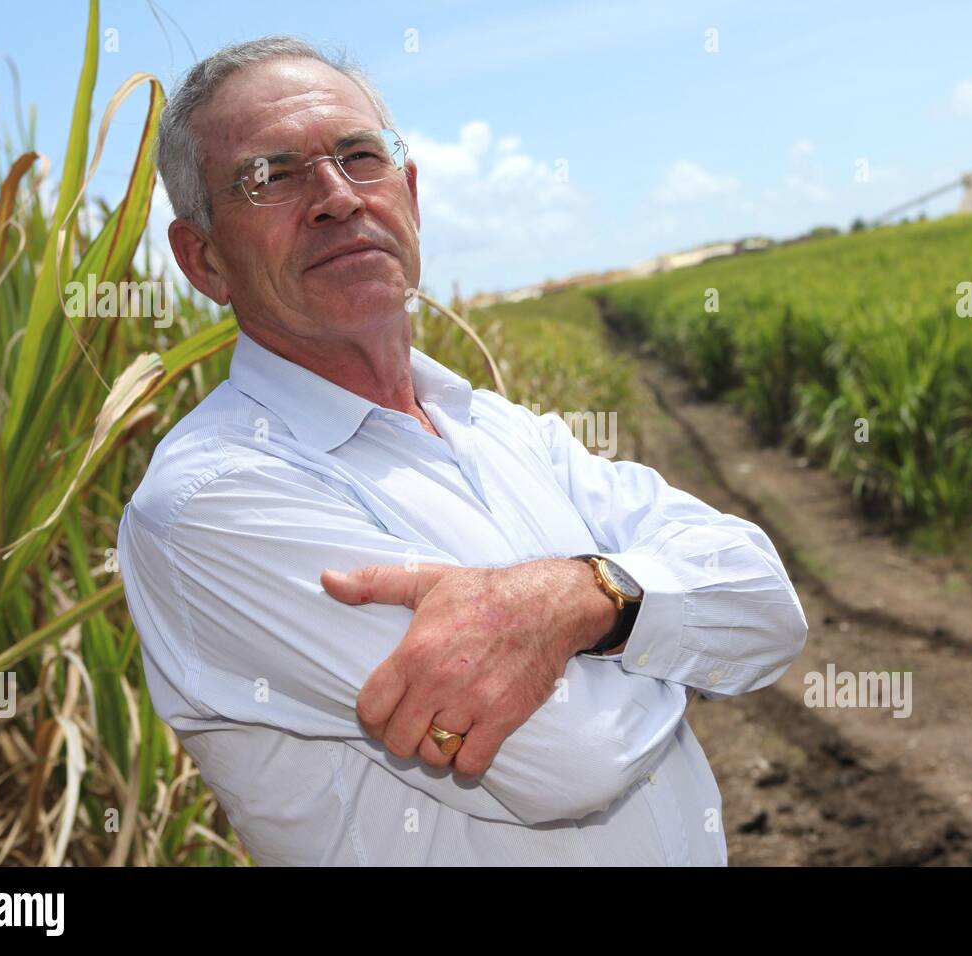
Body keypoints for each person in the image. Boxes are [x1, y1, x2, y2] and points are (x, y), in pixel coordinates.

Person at [118, 35, 808, 865]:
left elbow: (769, 606)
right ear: (203, 258)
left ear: (409, 193)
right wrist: (669, 634)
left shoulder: (506, 429)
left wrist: (580, 598)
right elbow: (574, 759)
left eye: (359, 155)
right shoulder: (209, 504)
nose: (336, 197)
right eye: (272, 176)